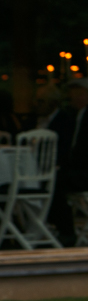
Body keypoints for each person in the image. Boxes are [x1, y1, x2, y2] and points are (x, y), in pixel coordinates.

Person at [48, 79, 88, 244]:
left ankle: (66, 230)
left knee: (54, 183)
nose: (71, 97)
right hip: (78, 169)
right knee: (53, 180)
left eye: (76, 93)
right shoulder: (75, 115)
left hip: (84, 172)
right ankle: (63, 228)